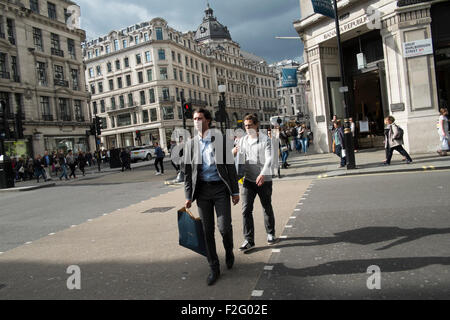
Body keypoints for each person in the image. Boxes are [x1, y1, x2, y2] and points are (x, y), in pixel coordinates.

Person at [184, 108, 240, 286]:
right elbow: (187, 173)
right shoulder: (190, 144)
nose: (196, 121)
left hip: (220, 189)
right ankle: (213, 267)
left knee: (224, 228)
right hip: (202, 192)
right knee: (207, 231)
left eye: (200, 118)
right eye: (194, 119)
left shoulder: (220, 141)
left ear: (207, 120)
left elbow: (230, 167)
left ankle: (228, 251)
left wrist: (235, 191)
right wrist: (188, 196)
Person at [233, 114, 276, 252]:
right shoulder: (242, 140)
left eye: (250, 125)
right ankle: (249, 240)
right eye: (246, 126)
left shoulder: (265, 140)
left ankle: (270, 233)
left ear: (256, 125)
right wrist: (233, 151)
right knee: (246, 210)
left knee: (266, 206)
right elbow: (233, 155)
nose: (248, 128)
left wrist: (263, 173)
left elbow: (269, 158)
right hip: (248, 180)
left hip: (264, 179)